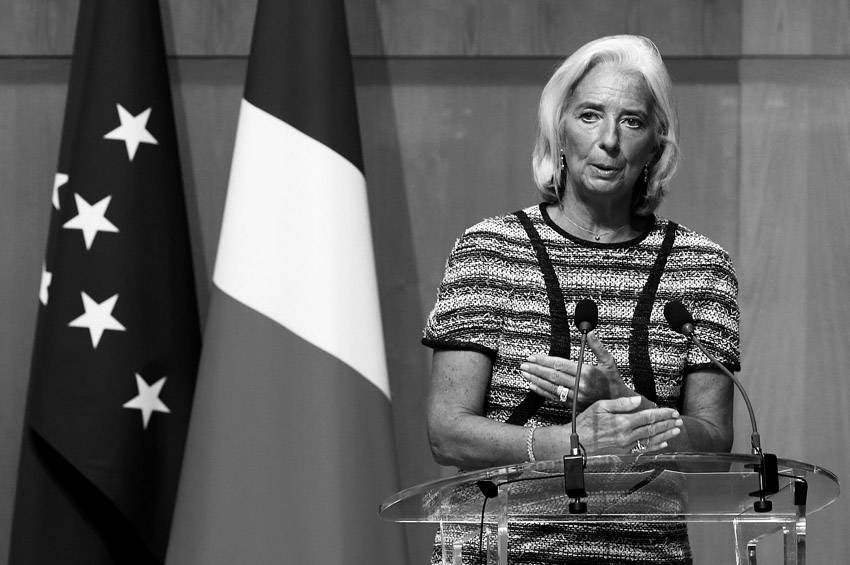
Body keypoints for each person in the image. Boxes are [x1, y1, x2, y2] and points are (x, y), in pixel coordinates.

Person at [422, 35, 740, 564]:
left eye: (632, 121)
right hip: (500, 549)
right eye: (590, 115)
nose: (609, 140)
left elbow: (713, 450)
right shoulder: (489, 249)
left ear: (656, 145)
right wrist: (571, 441)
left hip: (644, 553)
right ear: (560, 130)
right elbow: (447, 433)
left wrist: (629, 407)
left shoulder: (701, 266)